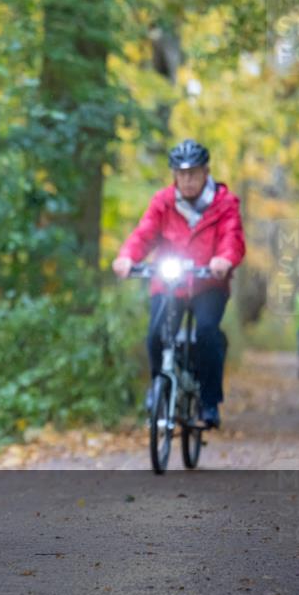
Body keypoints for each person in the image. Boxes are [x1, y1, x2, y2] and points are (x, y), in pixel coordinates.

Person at [112, 139, 245, 430]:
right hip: (169, 283)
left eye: (193, 173)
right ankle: (159, 386)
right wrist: (126, 257)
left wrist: (224, 259)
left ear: (206, 172)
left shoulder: (224, 203)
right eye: (181, 173)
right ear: (174, 174)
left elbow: (232, 238)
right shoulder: (163, 202)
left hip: (208, 283)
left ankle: (209, 403)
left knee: (207, 331)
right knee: (156, 334)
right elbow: (143, 234)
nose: (187, 180)